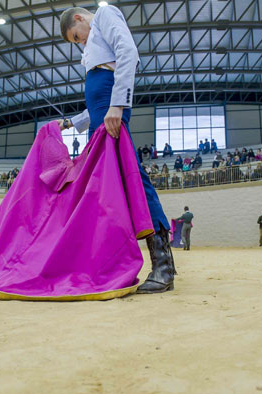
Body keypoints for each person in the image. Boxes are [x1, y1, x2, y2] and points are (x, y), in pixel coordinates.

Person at [60, 5, 175, 293]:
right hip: (102, 117)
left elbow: (128, 53)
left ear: (79, 18)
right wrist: (71, 123)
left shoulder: (104, 15)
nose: (81, 43)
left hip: (112, 113)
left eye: (77, 37)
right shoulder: (92, 46)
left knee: (132, 181)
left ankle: (163, 267)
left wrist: (118, 104)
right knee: (111, 187)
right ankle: (119, 264)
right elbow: (95, 101)